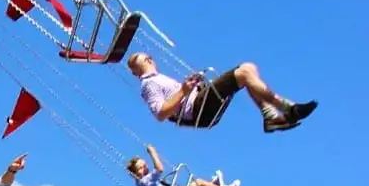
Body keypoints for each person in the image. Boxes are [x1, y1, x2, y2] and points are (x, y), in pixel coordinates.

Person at [128, 52, 316, 133]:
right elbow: (160, 113)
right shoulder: (148, 84)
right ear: (137, 68)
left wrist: (191, 86)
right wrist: (185, 90)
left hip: (200, 102)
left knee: (247, 70)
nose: (150, 58)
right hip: (198, 109)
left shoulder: (158, 78)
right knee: (243, 72)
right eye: (144, 57)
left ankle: (271, 118)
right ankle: (288, 107)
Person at [127, 144, 240, 186]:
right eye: (141, 167)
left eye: (145, 165)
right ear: (135, 173)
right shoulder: (144, 181)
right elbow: (159, 169)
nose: (146, 168)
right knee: (199, 182)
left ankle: (214, 184)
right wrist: (153, 153)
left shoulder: (142, 185)